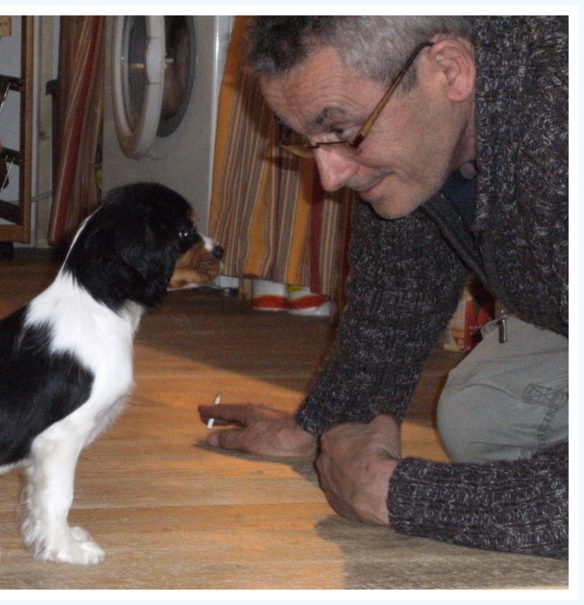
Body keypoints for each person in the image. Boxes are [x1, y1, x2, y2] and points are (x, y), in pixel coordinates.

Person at [199, 16, 568, 559]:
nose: (329, 176)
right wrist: (320, 427)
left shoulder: (560, 127)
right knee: (483, 413)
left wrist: (400, 497)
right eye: (310, 142)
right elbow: (397, 296)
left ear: (449, 69)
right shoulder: (424, 135)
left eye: (344, 131)